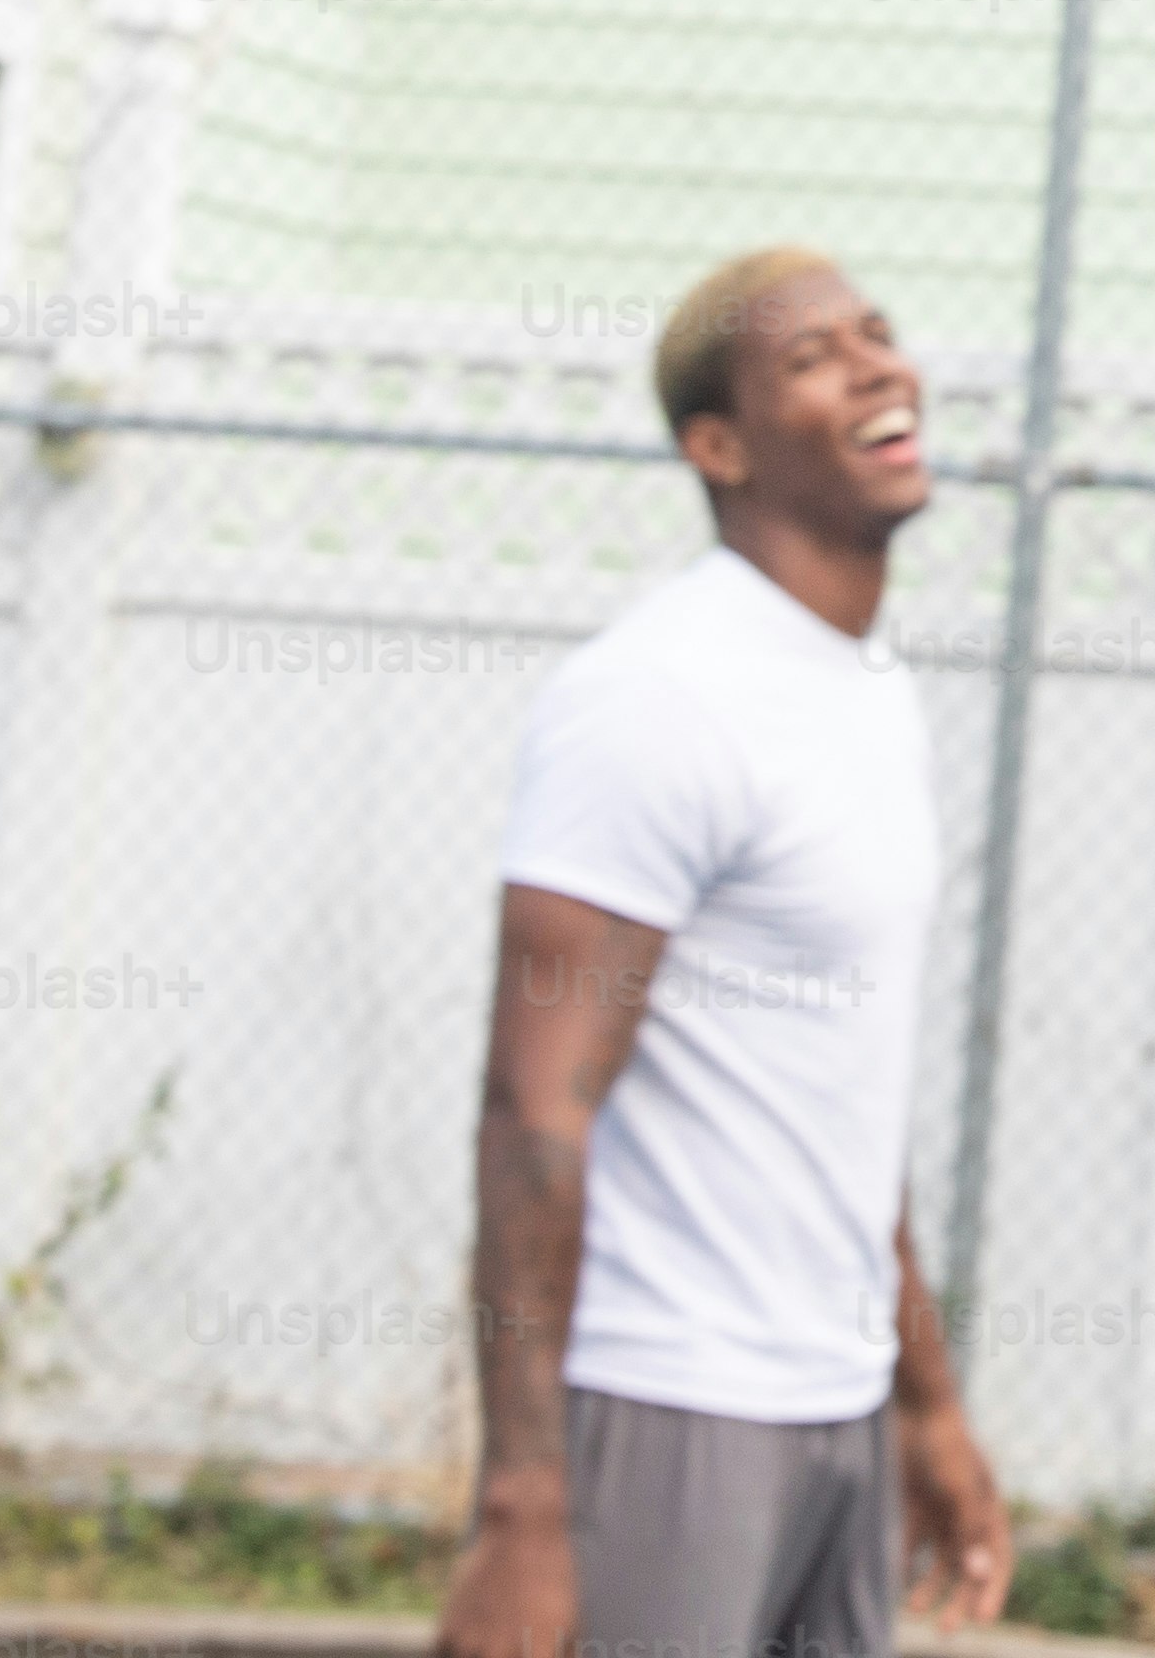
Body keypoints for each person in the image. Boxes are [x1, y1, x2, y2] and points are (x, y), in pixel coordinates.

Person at [442, 247, 1020, 1658]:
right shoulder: (657, 698)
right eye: (817, 357)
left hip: (838, 1408)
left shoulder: (868, 695)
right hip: (669, 1409)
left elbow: (835, 1088)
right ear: (720, 446)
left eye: (880, 334)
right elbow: (536, 1112)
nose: (881, 364)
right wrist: (522, 1508)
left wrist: (926, 1404)